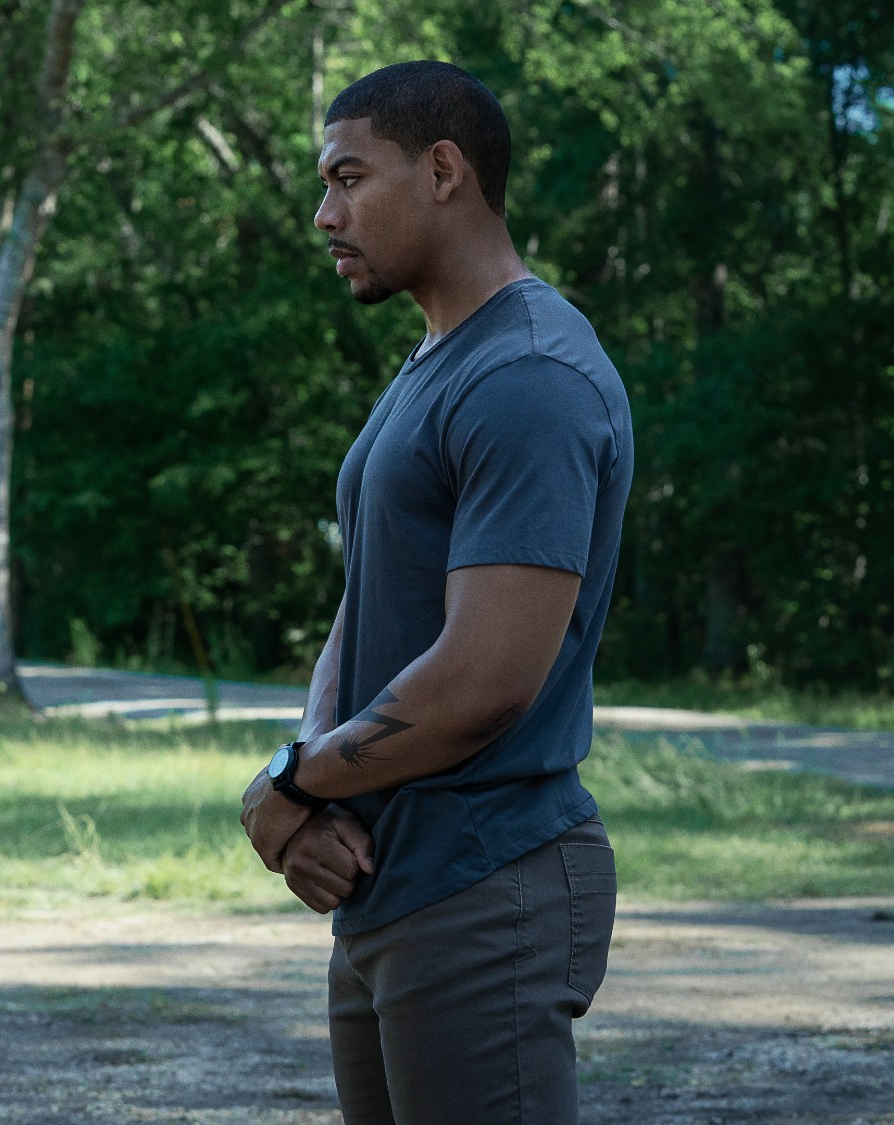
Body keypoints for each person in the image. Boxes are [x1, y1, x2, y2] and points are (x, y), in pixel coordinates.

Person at [239, 62, 633, 1124]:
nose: (325, 214)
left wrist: (289, 784)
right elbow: (363, 606)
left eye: (347, 178)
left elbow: (485, 679)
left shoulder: (529, 376)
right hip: (393, 886)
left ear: (444, 170)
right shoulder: (438, 361)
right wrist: (304, 784)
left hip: (483, 883)